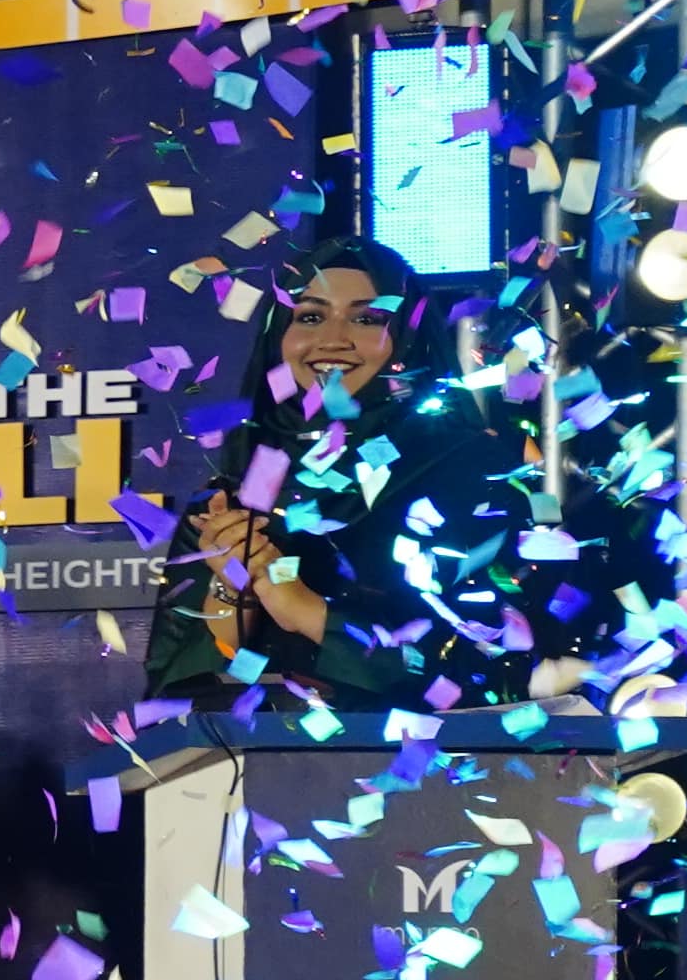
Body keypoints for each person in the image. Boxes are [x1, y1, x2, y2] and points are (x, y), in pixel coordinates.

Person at [162, 239, 535, 710]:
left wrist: (308, 611)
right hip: (259, 757)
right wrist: (233, 585)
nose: (333, 339)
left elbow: (495, 662)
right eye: (310, 317)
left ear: (408, 336)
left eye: (367, 319)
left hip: (427, 755)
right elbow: (176, 697)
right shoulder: (230, 496)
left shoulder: (475, 467)